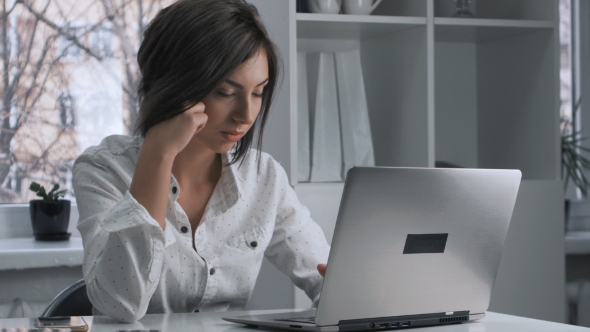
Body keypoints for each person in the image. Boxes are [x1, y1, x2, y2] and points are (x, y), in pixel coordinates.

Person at [72, 0, 329, 323]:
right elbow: (119, 304)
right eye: (225, 92)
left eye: (258, 92)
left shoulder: (263, 178)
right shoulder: (103, 170)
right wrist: (158, 154)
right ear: (174, 86)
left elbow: (330, 282)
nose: (246, 115)